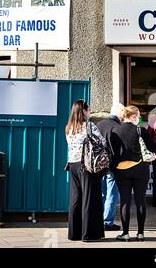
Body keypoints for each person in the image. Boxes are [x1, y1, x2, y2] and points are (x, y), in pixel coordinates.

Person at [110, 105, 156, 241]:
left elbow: (113, 153)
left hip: (122, 171)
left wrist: (114, 167)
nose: (140, 118)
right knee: (140, 201)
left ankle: (125, 234)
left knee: (125, 201)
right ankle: (140, 233)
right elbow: (153, 147)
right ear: (134, 116)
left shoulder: (115, 130)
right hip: (141, 169)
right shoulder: (141, 130)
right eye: (139, 116)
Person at [65, 99, 105, 242]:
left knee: (75, 199)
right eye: (88, 110)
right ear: (83, 111)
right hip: (86, 166)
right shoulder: (89, 126)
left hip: (72, 164)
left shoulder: (69, 127)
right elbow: (102, 142)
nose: (90, 112)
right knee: (89, 199)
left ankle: (74, 233)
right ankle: (88, 234)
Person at [96, 103, 124, 231]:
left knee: (101, 193)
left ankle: (98, 219)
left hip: (99, 164)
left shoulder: (99, 124)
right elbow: (118, 150)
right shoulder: (118, 127)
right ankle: (107, 222)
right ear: (119, 114)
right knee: (112, 194)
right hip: (112, 166)